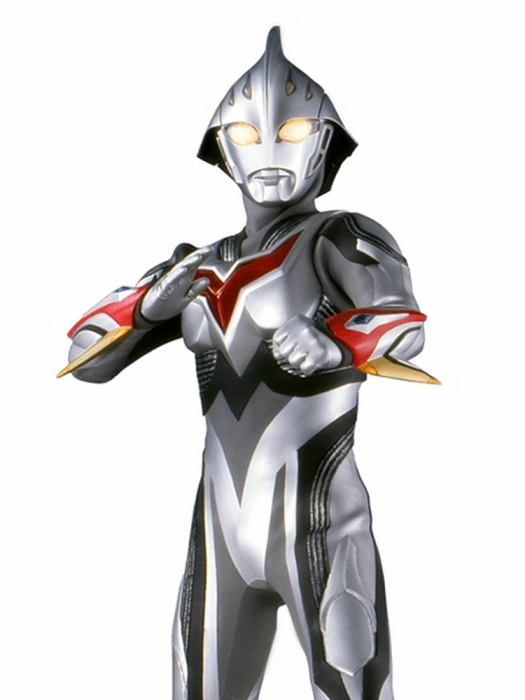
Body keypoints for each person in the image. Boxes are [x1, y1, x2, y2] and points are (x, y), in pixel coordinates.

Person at [60, 27, 436, 700]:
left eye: (292, 131)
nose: (268, 148)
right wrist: (148, 306)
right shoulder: (197, 265)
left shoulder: (340, 236)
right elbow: (83, 358)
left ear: (324, 142)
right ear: (221, 146)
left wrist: (336, 342)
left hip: (320, 521)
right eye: (247, 132)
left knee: (353, 684)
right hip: (219, 529)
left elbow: (403, 324)